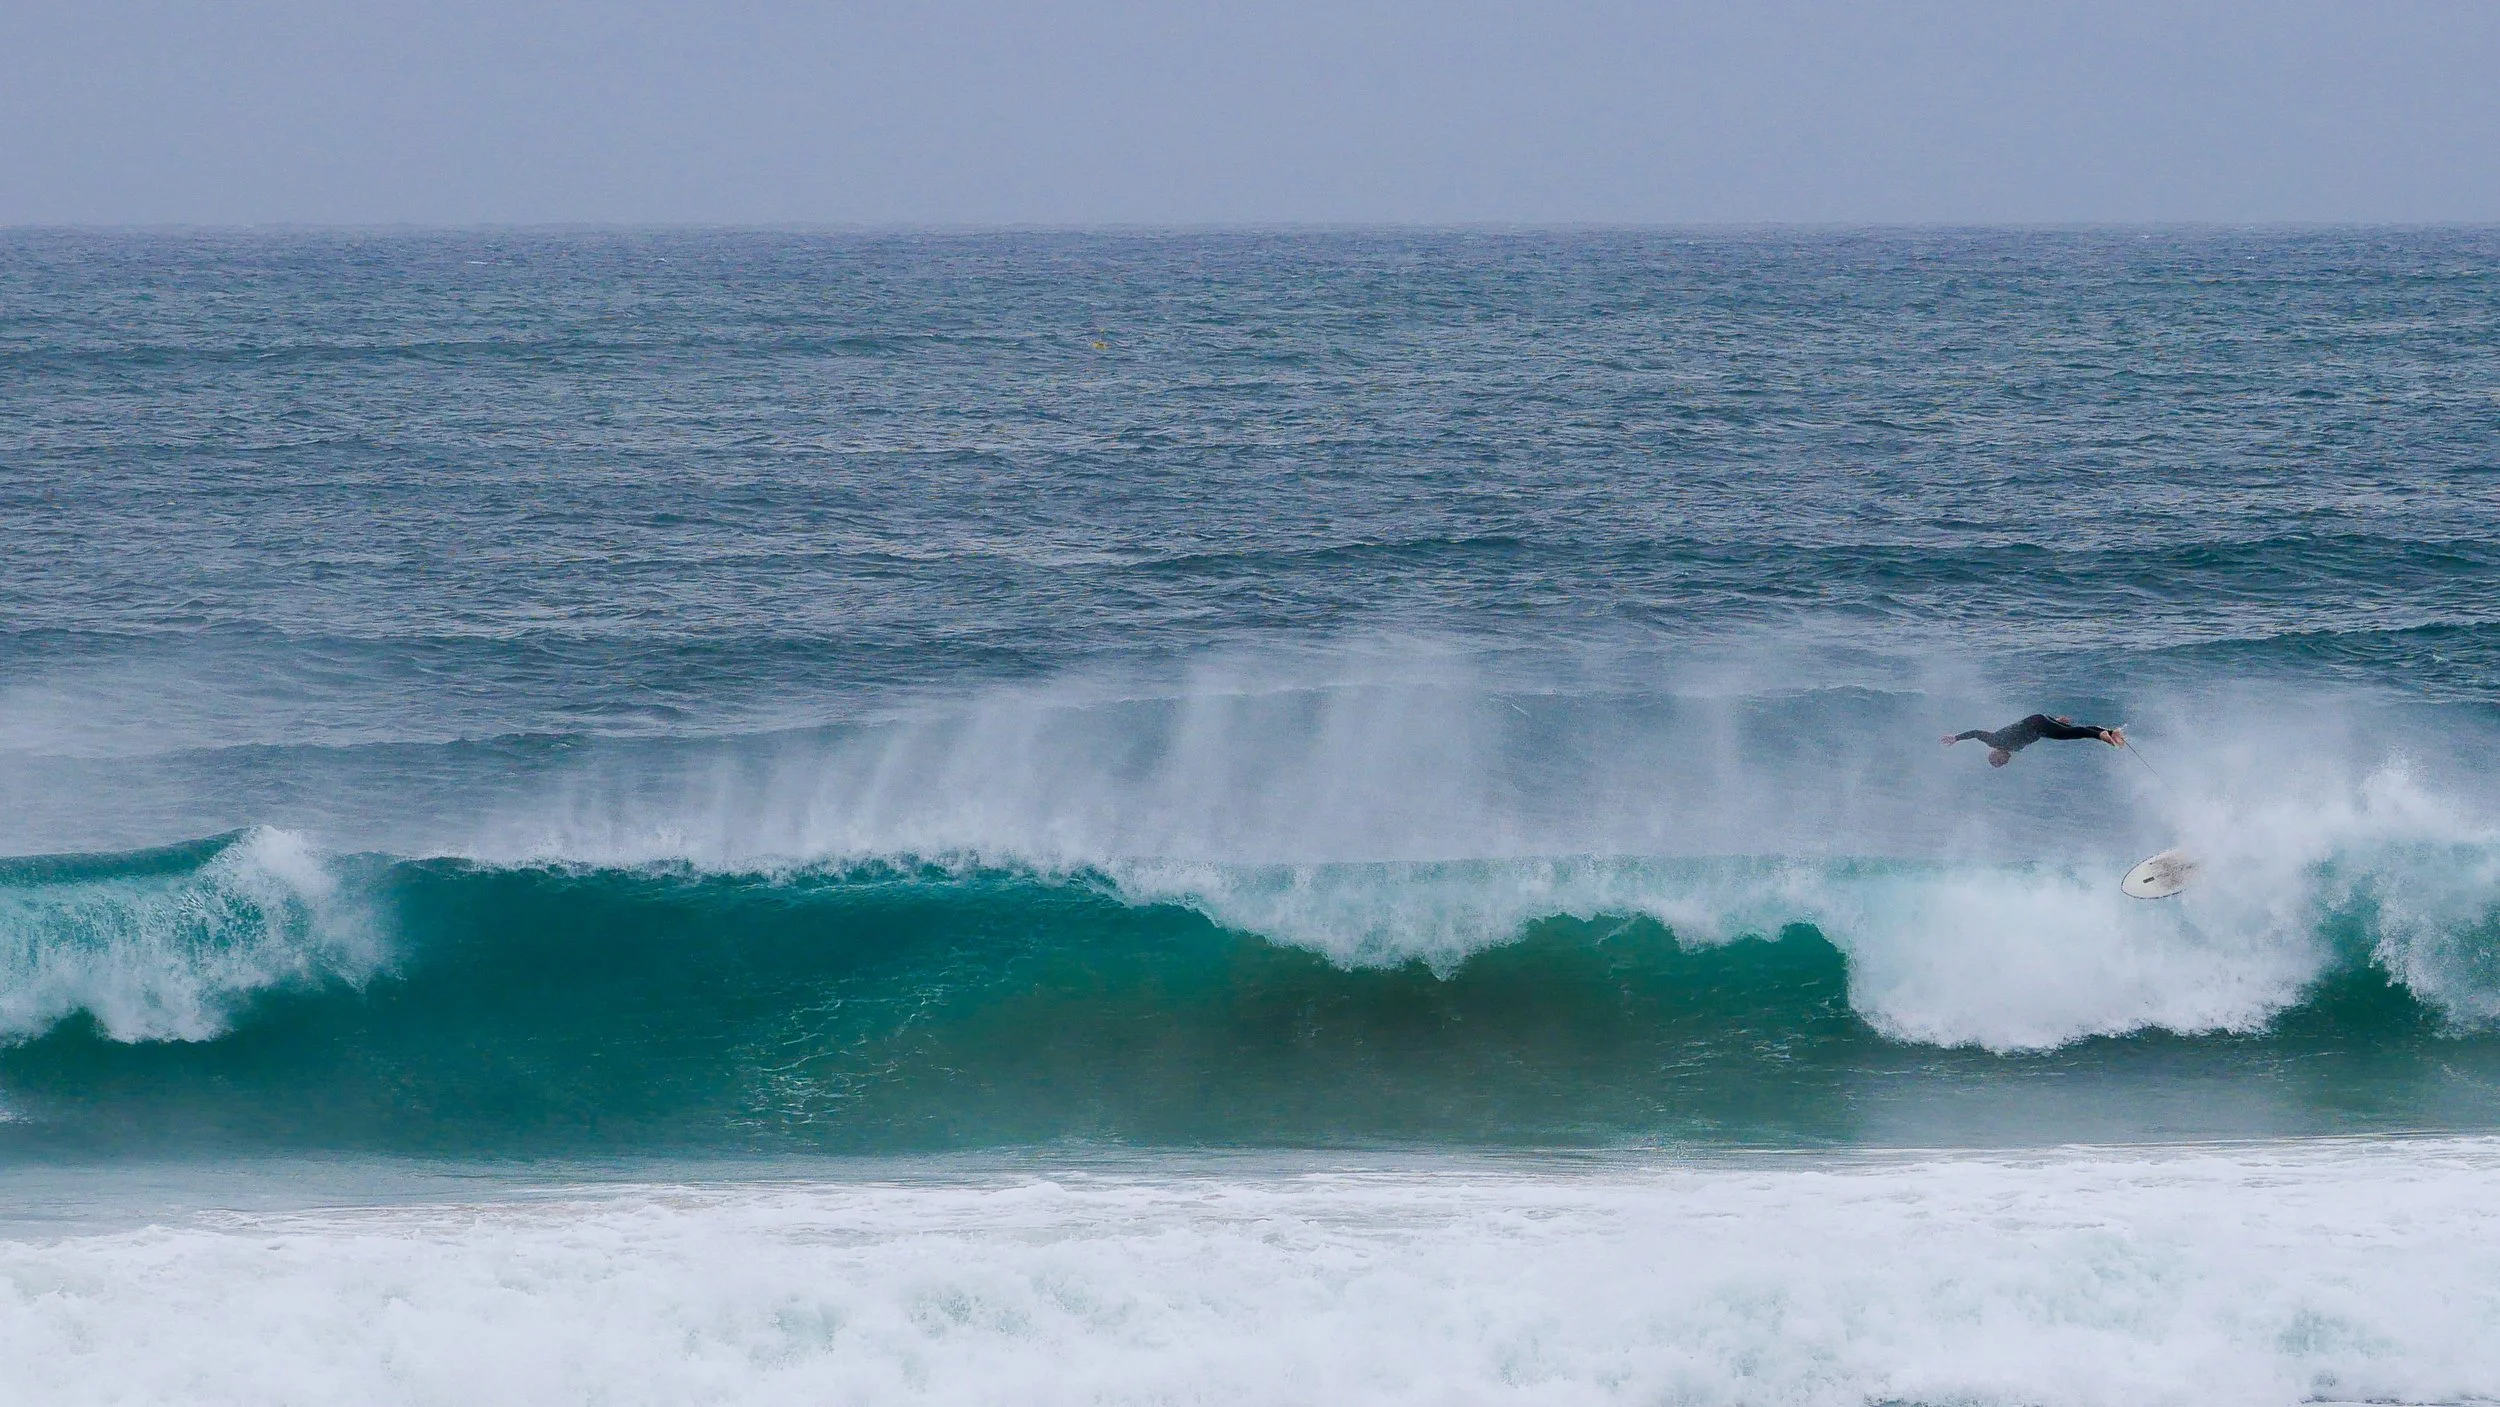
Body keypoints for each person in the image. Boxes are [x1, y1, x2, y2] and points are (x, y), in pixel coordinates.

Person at [1942, 714, 2125, 768]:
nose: (2004, 762)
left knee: (2069, 734)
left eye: (1999, 761)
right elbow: (2029, 735)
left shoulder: (1994, 741)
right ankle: (2110, 733)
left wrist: (1956, 738)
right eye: (2002, 764)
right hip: (2040, 723)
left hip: (2037, 724)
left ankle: (2102, 735)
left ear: (1995, 754)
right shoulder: (2015, 747)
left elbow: (1975, 733)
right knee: (2070, 732)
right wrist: (2055, 721)